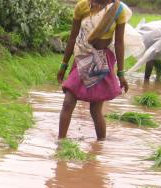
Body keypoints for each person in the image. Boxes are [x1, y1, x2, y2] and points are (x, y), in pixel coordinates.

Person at [57, 0, 132, 140]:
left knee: (95, 110)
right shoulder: (82, 6)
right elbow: (73, 37)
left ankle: (100, 146)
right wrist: (64, 64)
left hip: (101, 60)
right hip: (82, 56)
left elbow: (119, 43)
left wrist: (121, 73)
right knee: (68, 102)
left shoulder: (117, 10)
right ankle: (60, 143)